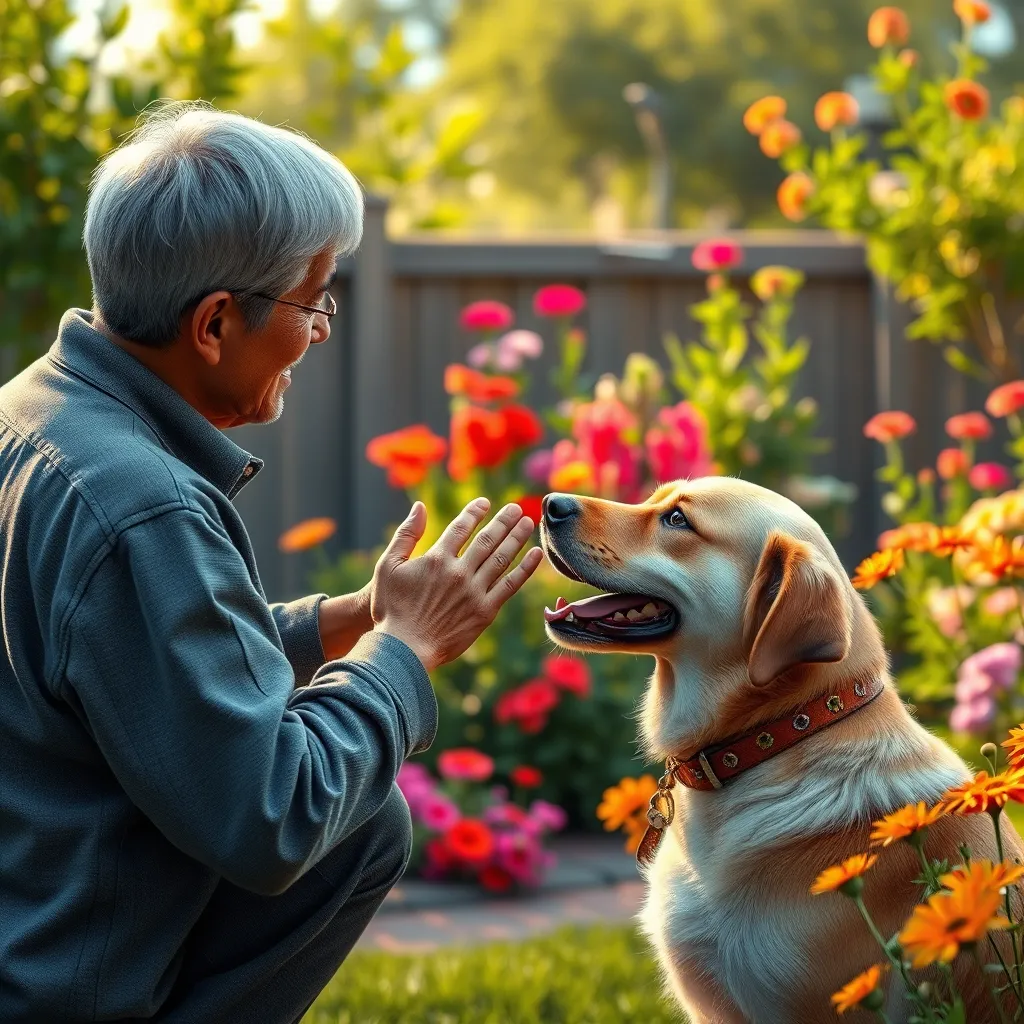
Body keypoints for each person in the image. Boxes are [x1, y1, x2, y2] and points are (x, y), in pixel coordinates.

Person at [0, 98, 543, 1023]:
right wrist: (403, 653)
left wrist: (345, 621)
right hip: (60, 987)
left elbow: (120, 667)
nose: (322, 327)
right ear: (214, 324)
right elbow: (273, 815)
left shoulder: (33, 415)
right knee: (354, 824)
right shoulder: (142, 506)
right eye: (313, 297)